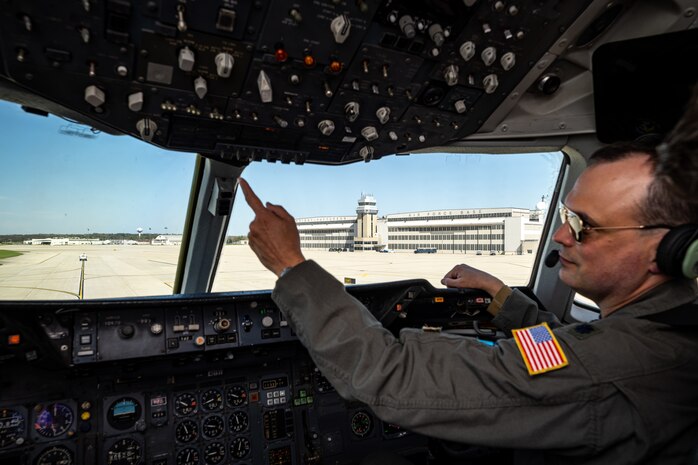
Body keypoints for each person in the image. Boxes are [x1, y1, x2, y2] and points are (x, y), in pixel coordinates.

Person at [238, 101, 698, 463]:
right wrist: (502, 295)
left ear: (668, 250)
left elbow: (391, 375)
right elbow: (572, 346)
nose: (560, 235)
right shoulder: (665, 328)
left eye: (584, 225)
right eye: (564, 216)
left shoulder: (608, 368)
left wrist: (290, 265)